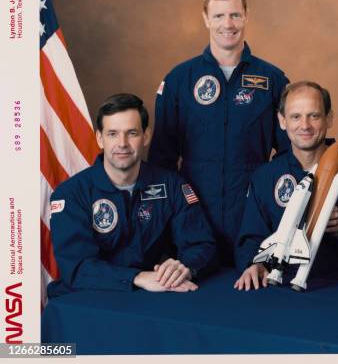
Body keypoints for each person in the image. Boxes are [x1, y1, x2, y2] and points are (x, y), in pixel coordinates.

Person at [149, 0, 290, 265]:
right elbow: (161, 160)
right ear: (205, 19)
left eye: (235, 15)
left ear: (246, 17)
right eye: (219, 16)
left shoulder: (272, 80)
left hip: (253, 214)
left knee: (253, 295)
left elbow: (289, 157)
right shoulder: (179, 80)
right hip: (192, 213)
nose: (228, 24)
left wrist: (273, 204)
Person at [48, 94, 218, 296]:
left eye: (132, 133)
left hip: (150, 294)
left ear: (145, 136)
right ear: (99, 139)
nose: (123, 143)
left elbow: (201, 243)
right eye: (112, 134)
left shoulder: (170, 185)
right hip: (89, 298)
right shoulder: (72, 194)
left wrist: (184, 268)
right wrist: (137, 278)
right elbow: (76, 268)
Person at [234, 81, 338, 290]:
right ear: (282, 121)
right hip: (279, 289)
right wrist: (254, 264)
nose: (305, 125)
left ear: (329, 118)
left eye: (314, 116)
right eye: (295, 116)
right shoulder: (264, 177)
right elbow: (250, 240)